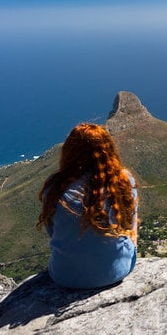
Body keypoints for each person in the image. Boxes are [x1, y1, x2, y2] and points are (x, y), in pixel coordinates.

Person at [37, 123, 138, 288]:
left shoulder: (55, 187)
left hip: (64, 276)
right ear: (108, 151)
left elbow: (52, 232)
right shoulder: (123, 181)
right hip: (116, 272)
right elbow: (129, 227)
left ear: (69, 152)